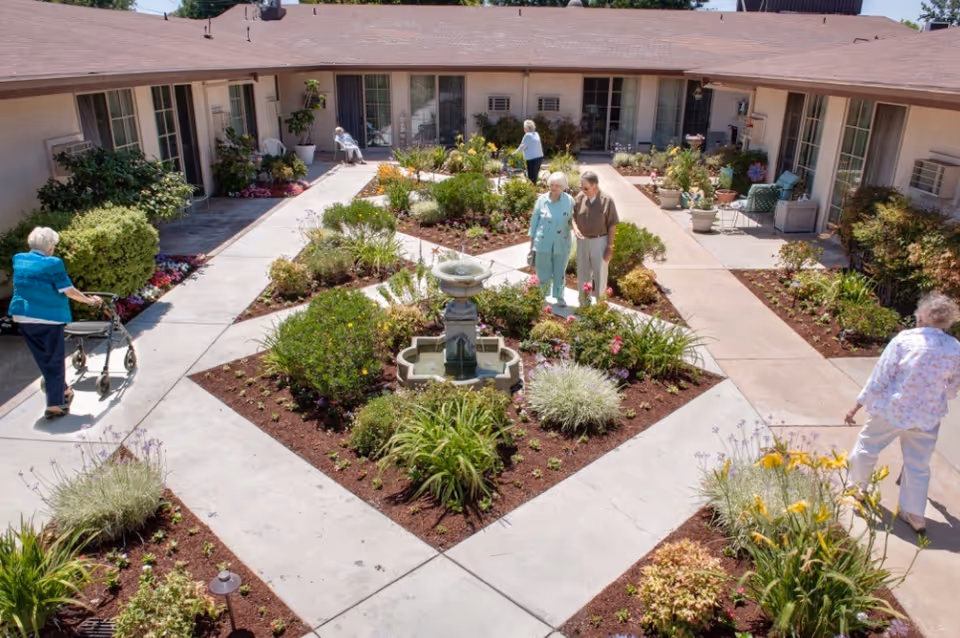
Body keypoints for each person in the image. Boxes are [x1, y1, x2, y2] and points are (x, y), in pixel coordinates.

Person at [845, 292, 960, 533]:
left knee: (867, 447)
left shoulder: (904, 340)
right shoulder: (954, 348)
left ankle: (857, 489)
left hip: (892, 410)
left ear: (921, 317)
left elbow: (881, 375)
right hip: (927, 417)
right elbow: (952, 386)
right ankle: (915, 514)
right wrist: (939, 396)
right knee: (918, 464)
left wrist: (859, 403)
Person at [9, 227, 102, 420]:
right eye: (54, 245)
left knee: (43, 358)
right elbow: (68, 290)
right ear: (50, 246)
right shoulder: (53, 263)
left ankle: (64, 390)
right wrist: (89, 301)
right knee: (54, 359)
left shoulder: (18, 259)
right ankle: (54, 405)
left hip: (23, 317)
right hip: (48, 318)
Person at [529, 172, 575, 306]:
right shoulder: (542, 200)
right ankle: (542, 295)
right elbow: (534, 223)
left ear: (564, 187)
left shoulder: (569, 201)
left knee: (560, 271)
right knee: (543, 271)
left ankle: (559, 296)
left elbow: (574, 221)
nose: (554, 187)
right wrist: (531, 246)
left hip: (562, 242)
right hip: (542, 242)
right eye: (552, 185)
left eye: (557, 185)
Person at [572, 171, 618, 303]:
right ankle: (584, 306)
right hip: (582, 242)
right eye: (581, 187)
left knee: (600, 276)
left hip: (600, 242)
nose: (582, 190)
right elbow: (572, 216)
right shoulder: (580, 197)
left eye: (585, 188)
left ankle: (600, 308)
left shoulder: (607, 201)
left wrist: (610, 246)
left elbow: (612, 225)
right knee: (583, 275)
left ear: (595, 186)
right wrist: (575, 228)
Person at [514, 119, 544, 185]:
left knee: (531, 178)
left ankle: (532, 192)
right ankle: (534, 189)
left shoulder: (527, 135)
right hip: (539, 157)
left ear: (526, 128)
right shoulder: (536, 134)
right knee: (534, 177)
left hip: (532, 159)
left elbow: (522, 147)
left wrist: (514, 154)